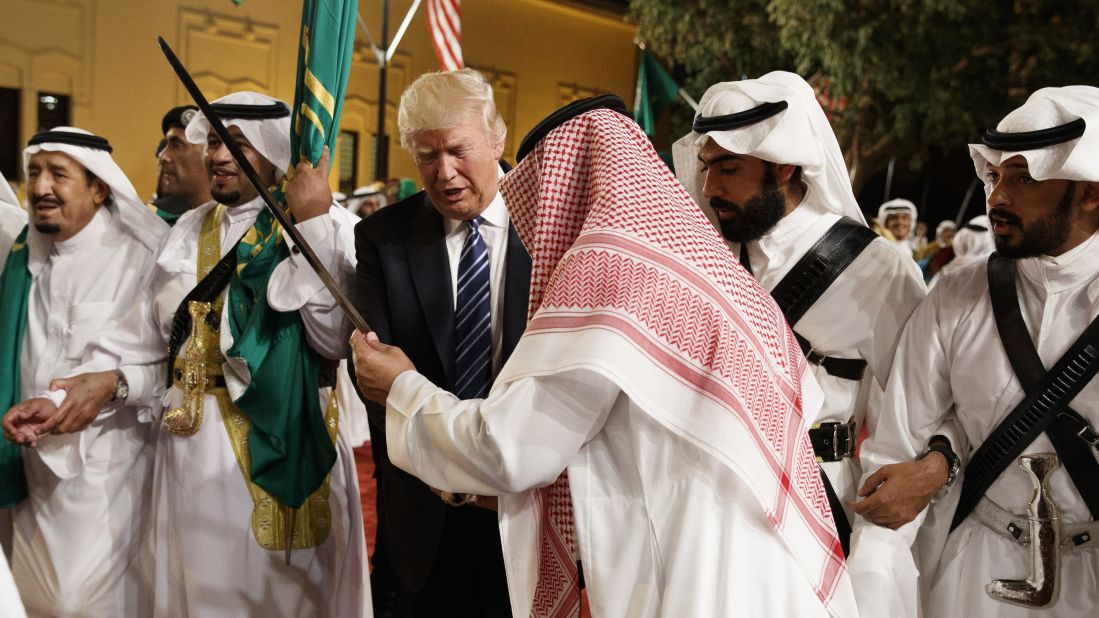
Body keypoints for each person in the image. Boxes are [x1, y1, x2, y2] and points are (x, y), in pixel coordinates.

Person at [352, 95, 856, 617]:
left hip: (697, 573)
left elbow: (509, 448)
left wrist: (402, 388)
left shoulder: (607, 277)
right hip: (772, 565)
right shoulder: (716, 275)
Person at [5, 93, 370, 616]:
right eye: (215, 140)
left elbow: (334, 340)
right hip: (187, 456)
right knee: (193, 594)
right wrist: (86, 389)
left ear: (274, 151)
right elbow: (147, 351)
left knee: (281, 596)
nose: (219, 155)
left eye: (237, 143)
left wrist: (310, 226)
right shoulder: (184, 232)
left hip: (281, 449)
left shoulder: (324, 226)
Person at [853, 85, 1099, 616]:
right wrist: (875, 591)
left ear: (1090, 192)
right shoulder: (955, 295)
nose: (997, 197)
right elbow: (896, 454)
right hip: (974, 573)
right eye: (995, 175)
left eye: (1024, 178)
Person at [671, 72, 929, 559]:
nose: (708, 189)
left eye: (728, 169)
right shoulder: (707, 256)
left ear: (785, 167)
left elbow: (910, 419)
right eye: (705, 168)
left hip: (818, 506)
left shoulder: (875, 269)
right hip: (705, 498)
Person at [350, 68, 524, 617]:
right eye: (426, 155)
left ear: (497, 139)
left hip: (525, 507)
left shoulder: (554, 225)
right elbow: (376, 382)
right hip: (423, 512)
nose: (444, 172)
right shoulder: (384, 238)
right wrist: (453, 476)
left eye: (458, 150)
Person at [0, 127, 169, 615]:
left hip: (111, 475)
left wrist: (113, 386)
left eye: (58, 174)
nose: (40, 188)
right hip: (31, 471)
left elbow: (175, 369)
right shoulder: (27, 258)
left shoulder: (140, 256)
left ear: (99, 187)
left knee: (83, 604)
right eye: (34, 173)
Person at [150, 105, 211, 225]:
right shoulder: (160, 223)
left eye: (176, 146)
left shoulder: (245, 228)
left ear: (208, 154)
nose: (163, 156)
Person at [927, 215, 993, 288]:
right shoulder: (931, 249)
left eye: (951, 231)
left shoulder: (945, 273)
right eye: (945, 231)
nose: (948, 234)